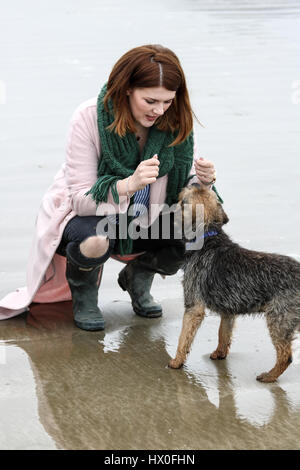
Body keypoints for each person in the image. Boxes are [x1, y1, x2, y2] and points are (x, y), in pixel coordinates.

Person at [0, 44, 217, 331]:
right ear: (127, 88)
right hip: (89, 216)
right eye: (150, 100)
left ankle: (138, 276)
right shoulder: (89, 117)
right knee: (96, 239)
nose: (159, 110)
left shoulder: (177, 119)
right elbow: (81, 200)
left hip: (149, 216)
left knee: (200, 231)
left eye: (167, 101)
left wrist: (203, 180)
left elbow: (184, 184)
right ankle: (85, 296)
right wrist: (130, 184)